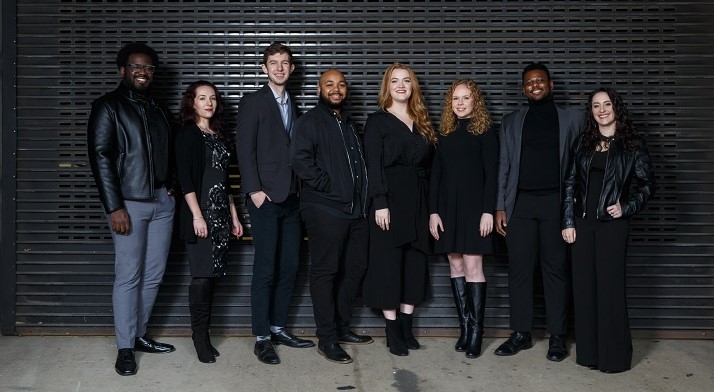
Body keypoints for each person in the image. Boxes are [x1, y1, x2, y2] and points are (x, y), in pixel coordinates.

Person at [87, 41, 176, 376]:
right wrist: (114, 207)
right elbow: (101, 157)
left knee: (153, 275)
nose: (143, 72)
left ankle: (139, 334)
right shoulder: (107, 107)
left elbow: (169, 152)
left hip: (162, 204)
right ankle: (125, 347)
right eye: (136, 66)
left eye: (149, 68)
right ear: (122, 70)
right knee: (129, 276)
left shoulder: (158, 109)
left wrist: (172, 188)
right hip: (128, 205)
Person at [494, 63, 584, 362]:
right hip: (519, 205)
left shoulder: (573, 119)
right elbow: (504, 166)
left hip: (556, 204)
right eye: (529, 82)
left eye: (540, 81)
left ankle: (558, 336)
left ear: (551, 85)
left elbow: (582, 165)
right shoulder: (511, 121)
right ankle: (521, 333)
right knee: (519, 271)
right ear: (523, 89)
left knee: (555, 270)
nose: (535, 85)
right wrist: (499, 207)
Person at [562, 87, 656, 373]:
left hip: (613, 226)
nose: (601, 110)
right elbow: (569, 183)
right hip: (582, 224)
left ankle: (613, 358)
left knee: (610, 290)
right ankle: (590, 355)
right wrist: (568, 221)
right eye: (595, 106)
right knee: (584, 289)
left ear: (616, 108)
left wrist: (626, 207)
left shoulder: (632, 144)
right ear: (591, 112)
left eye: (606, 104)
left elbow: (647, 184)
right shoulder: (583, 142)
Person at [236, 42, 314, 365]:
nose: (279, 67)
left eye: (285, 62)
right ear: (264, 68)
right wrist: (254, 190)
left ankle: (279, 326)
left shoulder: (293, 103)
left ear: (292, 69)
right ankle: (262, 337)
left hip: (292, 198)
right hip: (265, 198)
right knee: (265, 268)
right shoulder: (253, 102)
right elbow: (245, 148)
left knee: (291, 266)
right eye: (273, 62)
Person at [291, 68, 373, 364]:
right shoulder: (309, 122)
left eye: (340, 84)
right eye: (329, 84)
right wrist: (332, 189)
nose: (336, 89)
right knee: (325, 272)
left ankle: (341, 327)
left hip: (356, 211)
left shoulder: (349, 123)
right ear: (319, 90)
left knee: (355, 269)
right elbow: (300, 160)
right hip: (325, 209)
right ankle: (326, 338)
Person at [362, 63, 436, 356]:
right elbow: (373, 164)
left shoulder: (422, 120)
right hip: (390, 199)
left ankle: (406, 326)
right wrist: (379, 202)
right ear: (387, 87)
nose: (401, 85)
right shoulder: (377, 121)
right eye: (395, 81)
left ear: (413, 86)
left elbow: (432, 167)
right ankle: (392, 330)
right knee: (389, 264)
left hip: (419, 198)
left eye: (406, 81)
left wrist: (432, 208)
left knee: (415, 264)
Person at [175, 81, 243, 364]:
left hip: (221, 216)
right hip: (200, 214)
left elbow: (224, 180)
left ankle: (206, 335)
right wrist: (197, 215)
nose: (209, 102)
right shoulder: (188, 134)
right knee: (201, 278)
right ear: (192, 102)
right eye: (202, 98)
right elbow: (186, 180)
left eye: (213, 98)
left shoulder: (219, 134)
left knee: (212, 278)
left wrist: (235, 216)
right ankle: (199, 338)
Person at [429, 79, 498, 358]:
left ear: (475, 101)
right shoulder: (443, 132)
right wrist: (433, 212)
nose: (459, 103)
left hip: (474, 209)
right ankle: (465, 328)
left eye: (465, 98)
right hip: (447, 209)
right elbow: (436, 175)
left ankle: (477, 333)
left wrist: (487, 212)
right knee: (455, 264)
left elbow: (492, 175)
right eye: (455, 98)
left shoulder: (486, 132)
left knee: (473, 267)